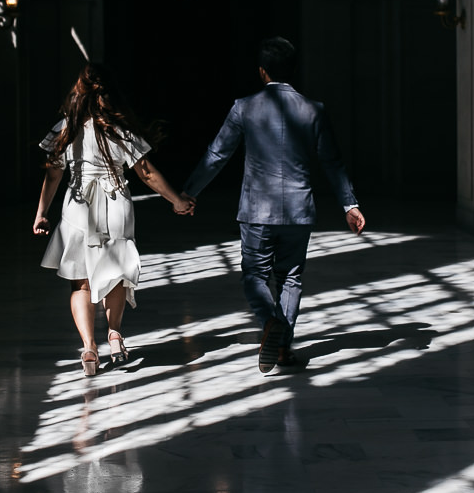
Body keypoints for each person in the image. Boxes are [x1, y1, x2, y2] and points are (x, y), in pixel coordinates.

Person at [180, 38, 364, 376]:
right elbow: (332, 162)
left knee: (254, 274)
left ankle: (269, 324)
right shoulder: (314, 109)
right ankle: (282, 346)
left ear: (262, 72)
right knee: (291, 277)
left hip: (257, 210)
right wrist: (349, 204)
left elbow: (218, 154)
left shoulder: (244, 107)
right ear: (294, 70)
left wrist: (189, 192)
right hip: (298, 209)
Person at [34, 64, 194, 375]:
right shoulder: (119, 130)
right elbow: (147, 173)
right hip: (115, 203)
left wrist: (41, 212)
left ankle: (89, 348)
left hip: (78, 206)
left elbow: (53, 174)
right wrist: (178, 201)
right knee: (116, 273)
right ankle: (115, 334)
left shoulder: (66, 128)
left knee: (80, 282)